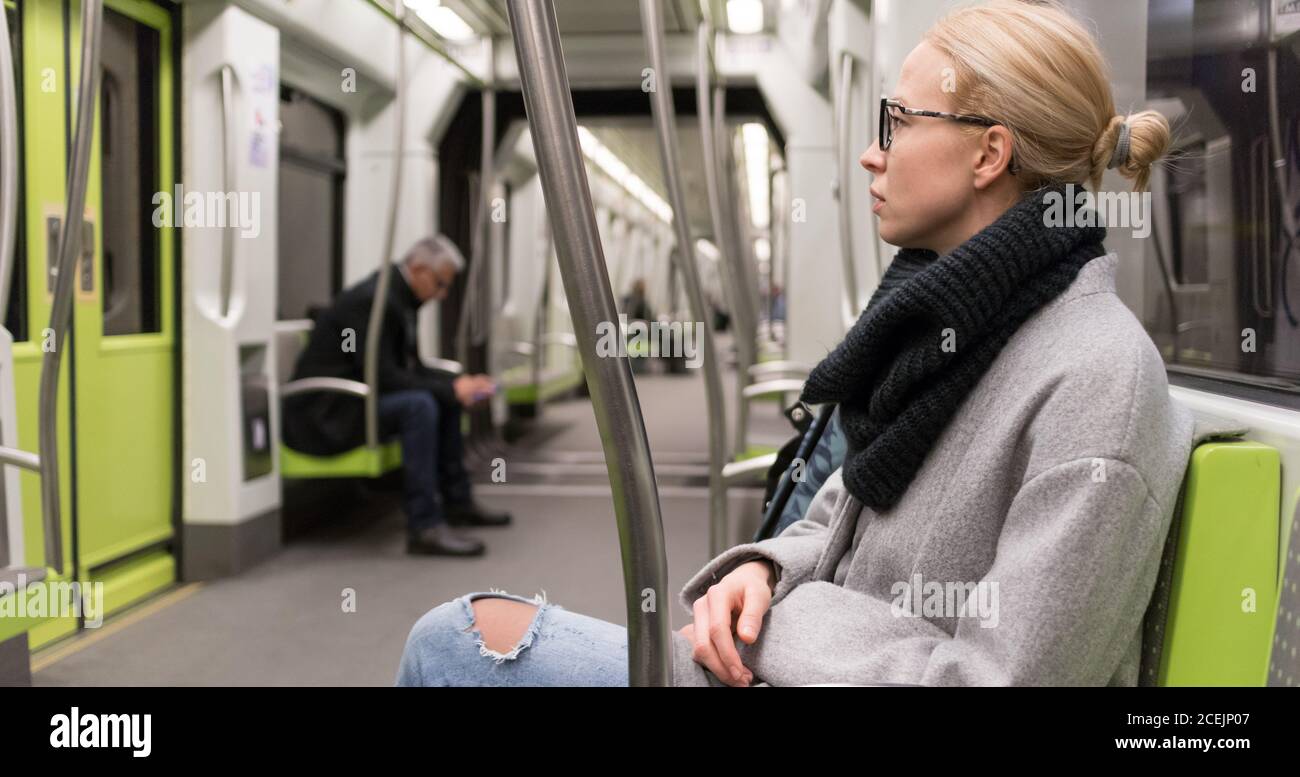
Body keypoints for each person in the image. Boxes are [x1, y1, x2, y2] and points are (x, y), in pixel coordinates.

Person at [394, 0, 1193, 685]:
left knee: (452, 645)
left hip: (800, 664)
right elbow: (841, 516)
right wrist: (768, 568)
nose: (872, 153)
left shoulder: (1097, 380)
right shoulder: (955, 326)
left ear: (989, 152)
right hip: (800, 661)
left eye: (899, 122)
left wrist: (787, 625)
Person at [284, 235, 511, 558]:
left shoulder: (400, 299)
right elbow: (384, 376)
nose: (442, 294)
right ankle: (423, 526)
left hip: (355, 400)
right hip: (326, 412)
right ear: (419, 269)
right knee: (420, 406)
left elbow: (411, 369)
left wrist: (459, 384)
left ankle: (457, 503)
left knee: (441, 398)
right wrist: (449, 389)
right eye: (440, 284)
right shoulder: (373, 301)